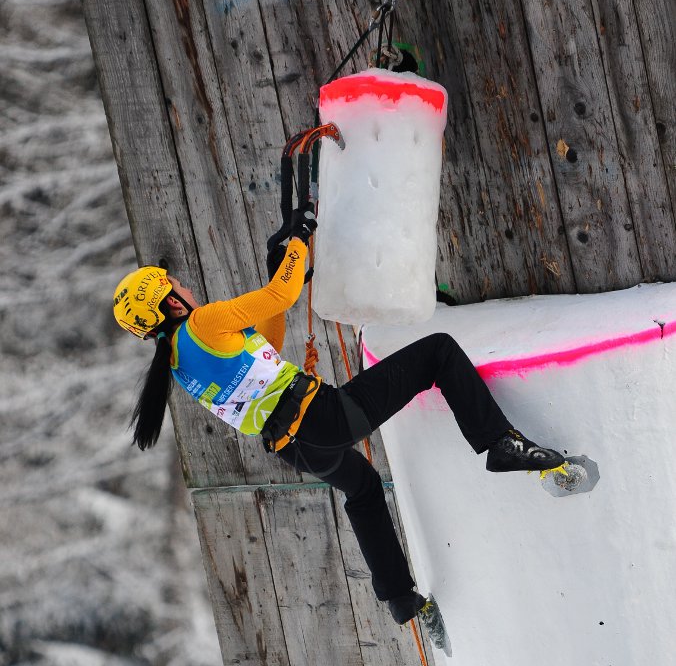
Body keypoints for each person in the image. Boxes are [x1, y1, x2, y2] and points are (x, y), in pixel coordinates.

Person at [113, 205, 565, 626]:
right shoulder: (204, 323)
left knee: (364, 490)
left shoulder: (177, 360)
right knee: (440, 352)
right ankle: (498, 443)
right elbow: (280, 293)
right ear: (172, 302)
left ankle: (400, 597)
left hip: (296, 449)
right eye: (178, 285)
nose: (187, 287)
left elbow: (266, 340)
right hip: (323, 418)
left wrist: (283, 265)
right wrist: (299, 239)